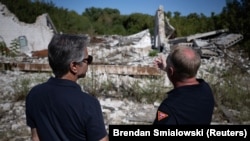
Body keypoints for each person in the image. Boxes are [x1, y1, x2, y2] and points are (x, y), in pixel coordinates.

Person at [25, 34, 109, 141]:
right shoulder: (88, 104)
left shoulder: (34, 94)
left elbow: (35, 138)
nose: (89, 63)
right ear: (74, 66)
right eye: (87, 60)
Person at [153, 45, 215, 125]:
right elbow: (184, 76)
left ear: (171, 71)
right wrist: (167, 69)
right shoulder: (206, 89)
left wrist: (169, 69)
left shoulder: (169, 108)